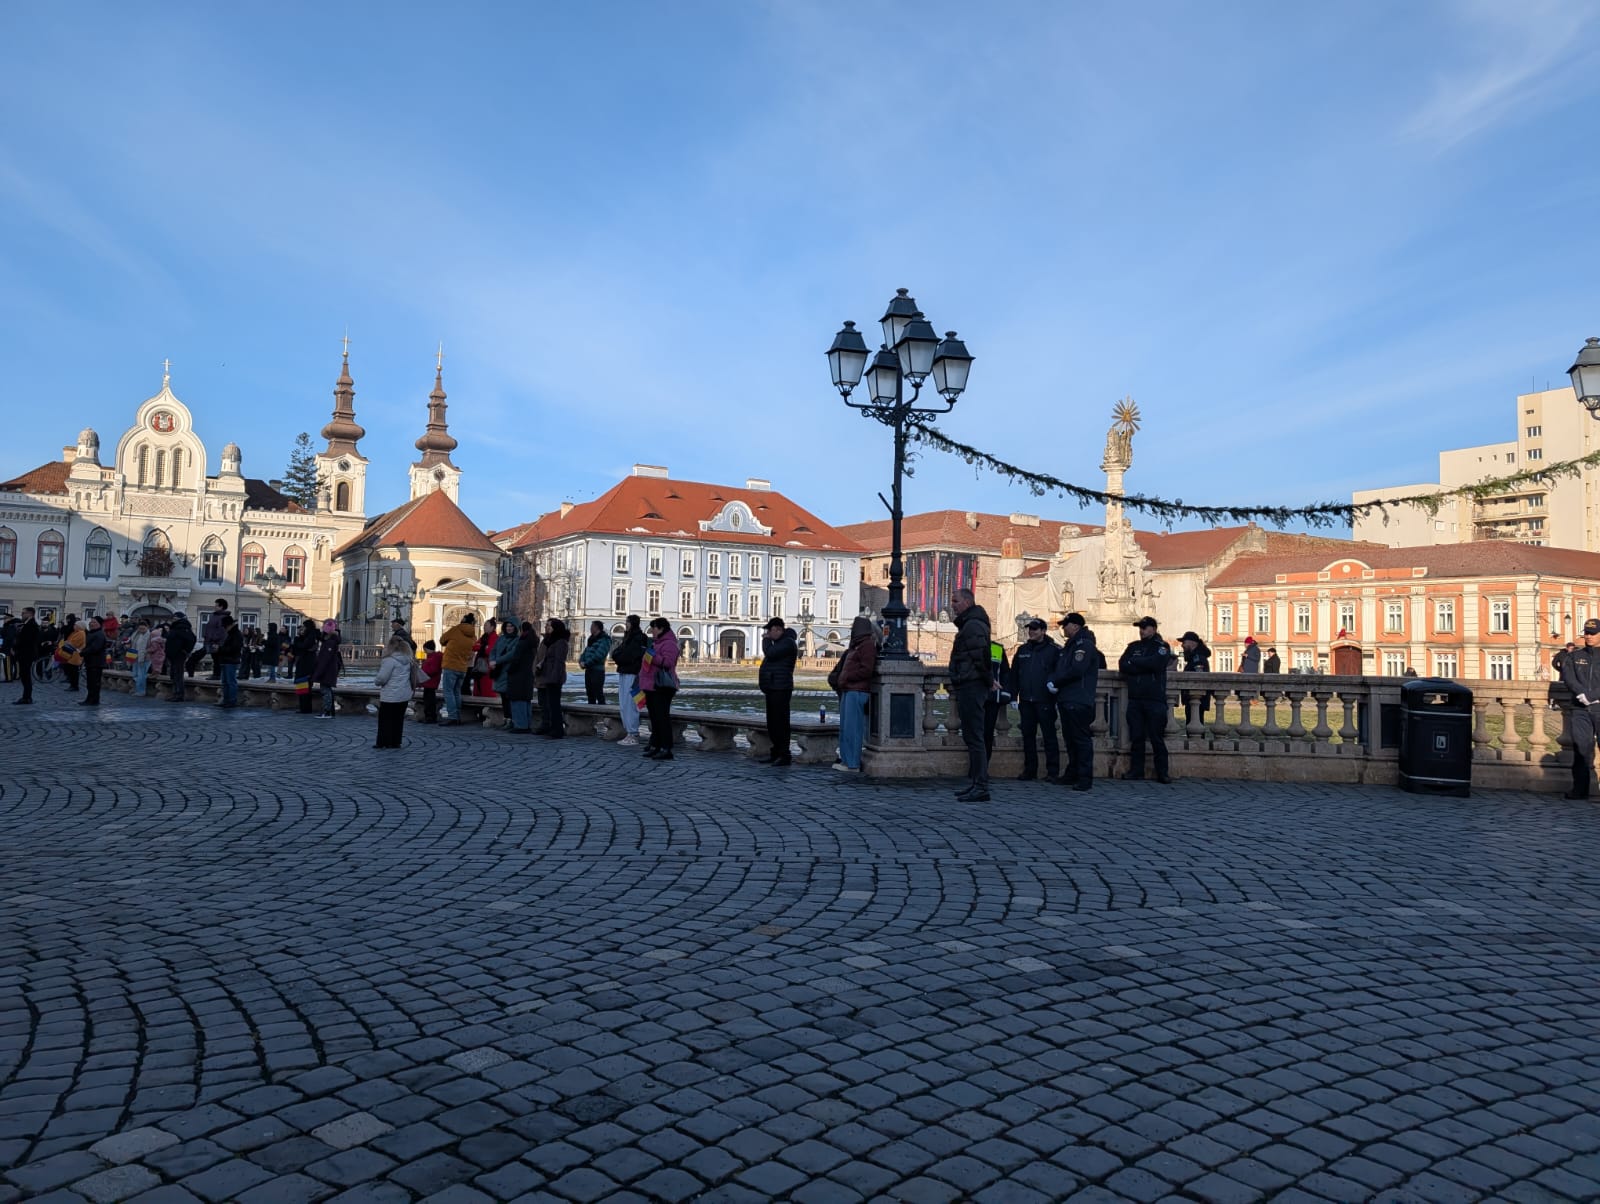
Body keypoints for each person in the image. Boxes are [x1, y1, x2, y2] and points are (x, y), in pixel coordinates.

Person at [948, 588, 993, 802]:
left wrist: (988, 680)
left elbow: (980, 656)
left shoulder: (973, 625)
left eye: (955, 601)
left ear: (967, 602)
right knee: (972, 736)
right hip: (970, 682)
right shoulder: (971, 623)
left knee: (975, 737)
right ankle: (976, 783)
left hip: (972, 684)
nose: (952, 605)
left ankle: (981, 786)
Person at [1049, 613, 1100, 792]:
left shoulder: (1083, 645)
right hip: (1067, 697)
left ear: (1076, 626)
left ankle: (1084, 777)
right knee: (1070, 739)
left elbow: (1077, 670)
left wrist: (1057, 682)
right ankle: (1072, 773)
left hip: (1078, 698)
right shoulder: (1070, 646)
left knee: (1080, 739)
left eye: (1066, 625)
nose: (1063, 628)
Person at [1119, 616, 1173, 783]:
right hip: (1135, 698)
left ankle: (1162, 772)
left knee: (1157, 737)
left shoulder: (1161, 646)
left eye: (1145, 627)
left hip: (1154, 699)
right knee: (1137, 737)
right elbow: (1123, 665)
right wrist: (1143, 665)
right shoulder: (1133, 646)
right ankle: (1136, 770)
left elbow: (1156, 664)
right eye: (1140, 628)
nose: (1141, 631)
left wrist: (1135, 663)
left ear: (1153, 629)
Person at [1007, 618, 1060, 782]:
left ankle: (1053, 771)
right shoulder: (1022, 650)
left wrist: (1055, 688)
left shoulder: (1054, 650)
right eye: (1030, 629)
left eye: (1035, 629)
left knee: (1049, 736)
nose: (1031, 632)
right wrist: (1013, 696)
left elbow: (1059, 673)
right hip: (1026, 700)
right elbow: (1014, 675)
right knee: (1027, 736)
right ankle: (1030, 770)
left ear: (1043, 631)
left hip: (1045, 699)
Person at [1559, 618, 1600, 798]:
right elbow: (1568, 677)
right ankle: (1580, 790)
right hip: (1580, 709)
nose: (1588, 636)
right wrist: (1581, 694)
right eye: (1586, 633)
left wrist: (1592, 696)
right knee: (1581, 749)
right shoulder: (1575, 656)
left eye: (1593, 633)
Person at [834, 615, 877, 772]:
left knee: (853, 729)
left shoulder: (867, 646)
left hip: (857, 691)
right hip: (848, 689)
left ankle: (853, 763)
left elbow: (866, 670)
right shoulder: (856, 645)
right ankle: (846, 761)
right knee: (845, 728)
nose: (852, 629)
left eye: (854, 627)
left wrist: (847, 677)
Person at [758, 618, 798, 766]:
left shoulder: (788, 643)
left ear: (778, 629)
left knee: (780, 723)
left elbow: (770, 653)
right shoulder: (781, 643)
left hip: (781, 688)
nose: (768, 633)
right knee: (773, 723)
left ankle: (784, 755)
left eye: (770, 630)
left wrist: (766, 640)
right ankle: (775, 753)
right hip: (773, 687)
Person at [640, 617, 680, 760]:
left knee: (662, 718)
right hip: (651, 686)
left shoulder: (669, 644)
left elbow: (668, 663)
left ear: (661, 629)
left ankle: (666, 748)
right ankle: (656, 746)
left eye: (654, 628)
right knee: (655, 718)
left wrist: (651, 655)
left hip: (662, 686)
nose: (652, 631)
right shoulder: (656, 643)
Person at [372, 636, 417, 749]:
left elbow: (382, 678)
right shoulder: (408, 660)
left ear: (391, 646)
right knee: (398, 719)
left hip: (390, 695)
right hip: (404, 694)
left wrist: (376, 681)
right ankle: (395, 742)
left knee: (385, 720)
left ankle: (382, 742)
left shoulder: (389, 660)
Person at [611, 615, 646, 746]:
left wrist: (619, 657)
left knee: (630, 703)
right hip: (625, 671)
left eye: (627, 622)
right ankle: (629, 732)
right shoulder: (628, 636)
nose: (626, 624)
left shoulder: (638, 638)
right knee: (623, 703)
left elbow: (629, 655)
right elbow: (617, 652)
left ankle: (633, 733)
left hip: (632, 673)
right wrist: (618, 656)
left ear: (633, 623)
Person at [438, 613, 477, 725]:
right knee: (456, 692)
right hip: (463, 667)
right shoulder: (473, 636)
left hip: (450, 665)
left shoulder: (456, 630)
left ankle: (452, 716)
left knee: (448, 692)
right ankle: (458, 716)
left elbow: (442, 640)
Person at [533, 618, 570, 737]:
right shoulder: (551, 641)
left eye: (550, 625)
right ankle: (552, 728)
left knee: (554, 705)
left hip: (554, 678)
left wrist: (553, 678)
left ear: (556, 628)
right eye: (547, 625)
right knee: (549, 704)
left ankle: (557, 730)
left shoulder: (560, 642)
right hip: (548, 676)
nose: (547, 627)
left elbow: (559, 662)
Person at [504, 622, 537, 733]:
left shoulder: (522, 642)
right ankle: (526, 724)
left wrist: (510, 670)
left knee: (517, 701)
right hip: (528, 675)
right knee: (526, 701)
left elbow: (516, 659)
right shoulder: (533, 642)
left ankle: (520, 725)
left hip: (518, 676)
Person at [489, 619, 520, 728]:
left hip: (508, 671)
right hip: (498, 670)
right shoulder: (501, 638)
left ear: (515, 627)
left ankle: (510, 719)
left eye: (511, 626)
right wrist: (492, 661)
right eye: (507, 626)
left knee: (508, 696)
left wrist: (497, 661)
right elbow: (493, 651)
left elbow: (511, 655)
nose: (509, 628)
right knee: (503, 696)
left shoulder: (517, 640)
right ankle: (506, 718)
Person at [984, 639, 1011, 761]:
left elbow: (1005, 673)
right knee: (973, 734)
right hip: (974, 697)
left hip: (992, 699)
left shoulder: (997, 648)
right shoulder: (969, 645)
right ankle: (977, 766)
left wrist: (1005, 693)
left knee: (987, 734)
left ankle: (982, 766)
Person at [1178, 630, 1212, 722]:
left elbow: (1198, 678)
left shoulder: (1198, 658)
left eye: (1184, 642)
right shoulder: (1194, 657)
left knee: (1195, 724)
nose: (1182, 645)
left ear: (1192, 643)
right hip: (1193, 698)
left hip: (1196, 698)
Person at [313, 619, 343, 717]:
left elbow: (325, 659)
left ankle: (327, 711)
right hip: (329, 669)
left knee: (325, 690)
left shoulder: (330, 642)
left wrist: (318, 672)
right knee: (327, 689)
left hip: (327, 670)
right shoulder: (331, 641)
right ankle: (329, 711)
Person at [290, 619, 320, 714]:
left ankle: (305, 708)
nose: (302, 629)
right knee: (304, 687)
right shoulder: (310, 635)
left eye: (304, 627)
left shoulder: (311, 636)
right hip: (306, 665)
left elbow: (303, 646)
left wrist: (297, 640)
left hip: (305, 666)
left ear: (307, 627)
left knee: (304, 687)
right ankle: (304, 708)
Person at [11, 608, 40, 704]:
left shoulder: (31, 625)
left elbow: (26, 641)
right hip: (24, 653)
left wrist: (16, 648)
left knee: (25, 675)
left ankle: (27, 697)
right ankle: (26, 697)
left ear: (30, 614)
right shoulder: (26, 624)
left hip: (27, 654)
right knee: (24, 675)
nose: (22, 614)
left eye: (23, 613)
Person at [579, 621, 612, 705]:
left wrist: (586, 663)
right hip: (589, 670)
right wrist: (581, 661)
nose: (590, 628)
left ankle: (602, 711)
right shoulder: (591, 639)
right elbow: (585, 652)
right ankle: (591, 710)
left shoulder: (605, 640)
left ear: (597, 628)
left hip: (597, 671)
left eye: (592, 626)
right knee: (590, 693)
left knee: (598, 693)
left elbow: (599, 655)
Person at [166, 614, 196, 701]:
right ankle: (175, 693)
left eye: (175, 618)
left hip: (179, 654)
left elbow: (192, 639)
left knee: (178, 674)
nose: (173, 620)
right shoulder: (175, 628)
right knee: (174, 674)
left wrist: (185, 650)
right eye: (173, 618)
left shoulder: (183, 628)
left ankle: (179, 694)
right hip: (173, 654)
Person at [215, 615, 243, 708]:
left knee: (230, 682)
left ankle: (231, 701)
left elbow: (234, 649)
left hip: (231, 661)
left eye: (225, 626)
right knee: (225, 682)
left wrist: (220, 649)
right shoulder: (231, 634)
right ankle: (226, 700)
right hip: (226, 660)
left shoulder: (236, 634)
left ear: (230, 625)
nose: (224, 628)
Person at [79, 618, 106, 707]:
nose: (91, 624)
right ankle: (89, 698)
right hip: (90, 661)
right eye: (91, 622)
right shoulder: (92, 633)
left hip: (96, 662)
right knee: (90, 682)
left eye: (94, 622)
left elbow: (95, 648)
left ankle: (94, 700)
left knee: (94, 683)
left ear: (99, 624)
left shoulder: (99, 634)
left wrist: (83, 652)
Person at [201, 598, 230, 679]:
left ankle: (217, 675)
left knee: (218, 659)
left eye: (216, 605)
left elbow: (222, 631)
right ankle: (216, 674)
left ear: (221, 607)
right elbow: (209, 628)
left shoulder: (222, 617)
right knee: (215, 658)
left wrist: (215, 641)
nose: (215, 607)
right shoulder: (214, 616)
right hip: (211, 641)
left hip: (217, 642)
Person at [418, 640, 443, 723]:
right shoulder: (432, 657)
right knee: (427, 700)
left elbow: (434, 670)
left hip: (430, 682)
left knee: (429, 701)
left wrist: (423, 672)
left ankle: (430, 717)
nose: (424, 651)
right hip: (428, 682)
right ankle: (429, 716)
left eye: (425, 649)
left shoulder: (434, 657)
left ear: (428, 649)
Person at [58, 616, 85, 693]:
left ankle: (74, 686)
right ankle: (72, 685)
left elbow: (74, 643)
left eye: (75, 625)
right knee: (71, 670)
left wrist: (67, 643)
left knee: (74, 671)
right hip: (73, 654)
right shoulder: (77, 632)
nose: (74, 626)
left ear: (79, 626)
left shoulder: (81, 633)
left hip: (75, 654)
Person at [130, 621, 152, 696]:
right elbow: (133, 644)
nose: (141, 630)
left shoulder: (150, 635)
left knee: (141, 675)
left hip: (144, 657)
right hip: (135, 656)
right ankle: (137, 689)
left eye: (143, 628)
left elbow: (153, 647)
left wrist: (147, 652)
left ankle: (141, 691)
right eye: (140, 628)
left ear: (147, 627)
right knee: (135, 674)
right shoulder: (136, 634)